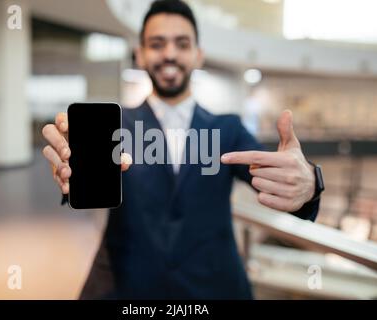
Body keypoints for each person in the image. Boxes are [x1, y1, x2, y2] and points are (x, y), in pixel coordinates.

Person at [41, 0, 322, 299]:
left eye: (182, 44)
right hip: (127, 285)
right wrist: (68, 169)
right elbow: (79, 179)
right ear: (140, 55)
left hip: (212, 286)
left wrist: (308, 182)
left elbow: (274, 173)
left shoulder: (228, 129)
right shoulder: (115, 124)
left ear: (198, 55)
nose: (170, 54)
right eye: (157, 44)